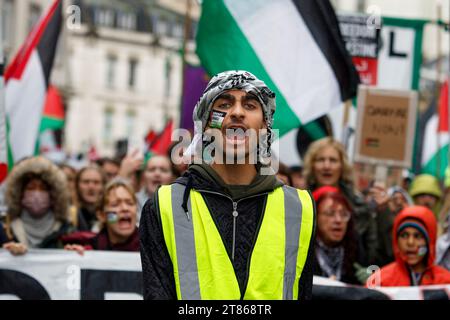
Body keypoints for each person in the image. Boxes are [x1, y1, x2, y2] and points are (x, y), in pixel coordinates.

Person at [139, 70, 316, 300]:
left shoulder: (300, 209)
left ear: (264, 126)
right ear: (206, 125)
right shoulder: (164, 207)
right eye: (224, 104)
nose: (237, 113)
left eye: (250, 105)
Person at [303, 137, 379, 265]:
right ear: (312, 165)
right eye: (321, 160)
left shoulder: (360, 207)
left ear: (342, 166)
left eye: (333, 160)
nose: (327, 166)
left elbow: (372, 254)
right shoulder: (298, 203)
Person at [1, 156, 73, 254]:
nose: (37, 194)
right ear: (20, 192)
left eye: (43, 188)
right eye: (31, 188)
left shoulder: (67, 228)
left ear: (53, 193)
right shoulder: (5, 227)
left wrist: (74, 251)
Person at [367, 206, 450, 286]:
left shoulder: (445, 282)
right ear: (396, 240)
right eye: (404, 235)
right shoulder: (380, 281)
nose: (410, 242)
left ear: (429, 242)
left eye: (418, 236)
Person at [64, 179, 139, 253]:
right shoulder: (91, 248)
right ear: (102, 215)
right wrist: (75, 255)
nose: (125, 208)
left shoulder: (149, 244)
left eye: (130, 203)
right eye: (115, 204)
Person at [312, 186, 366, 284]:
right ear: (314, 217)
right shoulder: (302, 250)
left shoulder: (354, 244)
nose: (338, 220)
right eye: (330, 213)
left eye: (343, 214)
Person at [75, 165, 105, 231]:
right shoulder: (70, 215)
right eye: (86, 182)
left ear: (103, 186)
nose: (91, 187)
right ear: (77, 186)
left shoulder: (109, 212)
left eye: (96, 182)